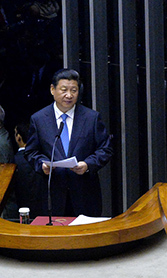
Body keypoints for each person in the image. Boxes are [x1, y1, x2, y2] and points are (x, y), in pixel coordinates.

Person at [25, 68, 112, 217]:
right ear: (52, 89)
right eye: (64, 90)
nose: (69, 95)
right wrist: (42, 164)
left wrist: (88, 165)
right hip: (52, 195)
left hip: (84, 194)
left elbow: (105, 149)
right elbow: (31, 151)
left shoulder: (91, 118)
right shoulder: (39, 119)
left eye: (74, 90)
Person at [12, 121, 44, 216]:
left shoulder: (13, 161)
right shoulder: (42, 159)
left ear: (18, 137)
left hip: (20, 208)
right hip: (42, 208)